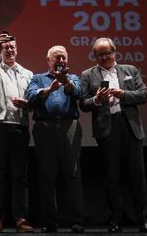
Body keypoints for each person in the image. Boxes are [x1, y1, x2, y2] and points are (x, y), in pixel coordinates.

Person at [79, 38, 147, 233]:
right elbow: (83, 104)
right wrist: (96, 99)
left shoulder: (130, 70)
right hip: (107, 129)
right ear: (95, 57)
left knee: (138, 176)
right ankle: (115, 221)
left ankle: (143, 221)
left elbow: (144, 95)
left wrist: (123, 94)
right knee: (112, 177)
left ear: (114, 53)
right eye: (99, 54)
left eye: (107, 53)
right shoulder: (88, 75)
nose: (104, 57)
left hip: (130, 127)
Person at [26, 45, 85, 233]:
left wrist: (66, 82)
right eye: (57, 58)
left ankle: (77, 221)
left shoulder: (73, 77)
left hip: (69, 126)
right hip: (45, 128)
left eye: (63, 58)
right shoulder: (37, 78)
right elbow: (31, 96)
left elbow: (78, 93)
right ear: (48, 60)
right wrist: (49, 89)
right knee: (47, 176)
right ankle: (50, 221)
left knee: (73, 174)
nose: (61, 61)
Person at [0, 32, 34, 233]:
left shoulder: (27, 73)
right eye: (6, 48)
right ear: (0, 50)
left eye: (12, 47)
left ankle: (20, 218)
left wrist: (29, 104)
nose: (10, 50)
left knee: (20, 176)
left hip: (20, 127)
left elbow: (32, 102)